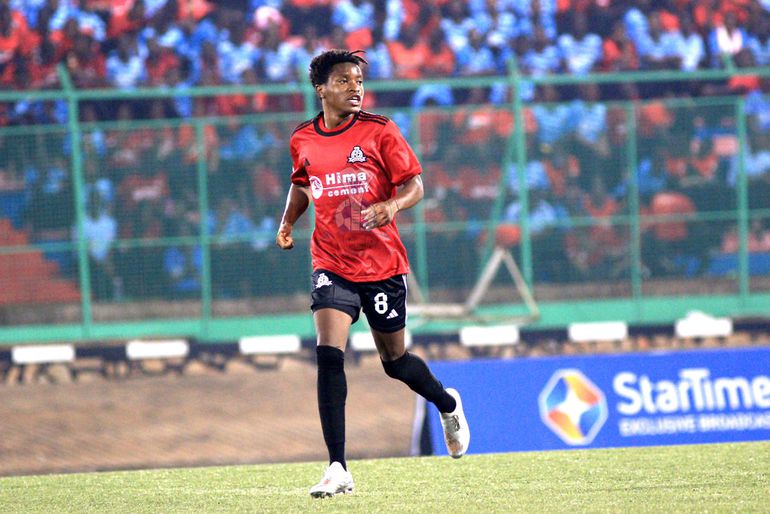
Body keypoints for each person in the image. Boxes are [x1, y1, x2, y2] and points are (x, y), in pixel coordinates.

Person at [275, 49, 470, 498]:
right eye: (344, 81)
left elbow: (416, 185)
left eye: (359, 80)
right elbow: (302, 184)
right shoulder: (303, 138)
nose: (355, 88)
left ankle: (447, 403)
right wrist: (287, 222)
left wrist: (392, 205)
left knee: (395, 362)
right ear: (321, 89)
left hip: (381, 265)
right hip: (331, 261)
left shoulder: (380, 131)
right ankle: (337, 467)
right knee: (329, 354)